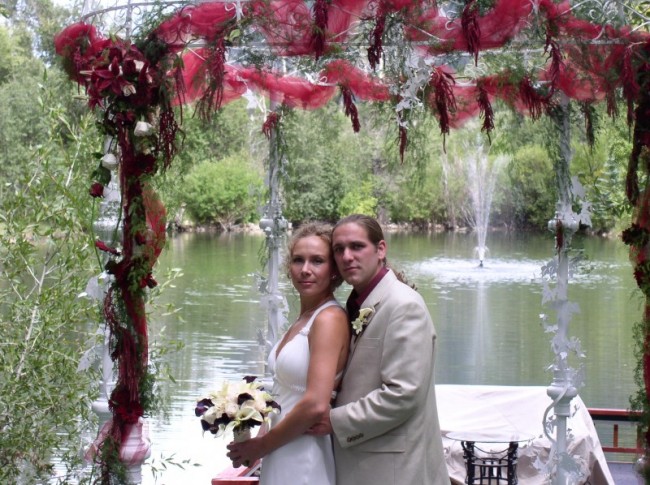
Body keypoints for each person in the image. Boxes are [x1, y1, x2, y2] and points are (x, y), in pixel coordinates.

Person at [311, 214, 450, 485]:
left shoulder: (403, 306)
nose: (347, 256)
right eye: (339, 249)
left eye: (357, 246)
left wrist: (336, 421)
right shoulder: (355, 305)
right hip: (360, 462)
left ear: (381, 249)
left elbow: (402, 394)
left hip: (392, 470)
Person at [227, 222, 350, 485]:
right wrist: (256, 442)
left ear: (334, 272)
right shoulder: (303, 319)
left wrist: (263, 446)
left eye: (317, 261)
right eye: (298, 260)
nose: (305, 270)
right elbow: (281, 393)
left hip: (304, 453)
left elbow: (316, 404)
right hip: (280, 447)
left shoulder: (329, 318)